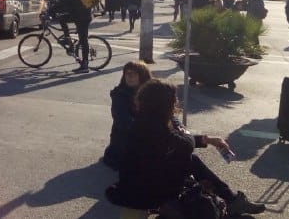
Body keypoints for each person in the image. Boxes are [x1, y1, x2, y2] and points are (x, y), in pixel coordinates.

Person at [105, 80, 266, 216]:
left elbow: (176, 142)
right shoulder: (150, 126)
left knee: (188, 160)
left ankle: (231, 199)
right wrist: (184, 131)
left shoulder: (147, 120)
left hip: (146, 181)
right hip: (145, 190)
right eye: (173, 99)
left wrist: (208, 139)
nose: (176, 102)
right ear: (163, 104)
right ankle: (231, 200)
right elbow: (184, 145)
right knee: (189, 160)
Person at [102, 61, 152, 170]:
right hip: (125, 140)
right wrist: (149, 131)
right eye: (127, 73)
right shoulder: (119, 95)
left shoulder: (151, 93)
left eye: (134, 73)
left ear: (142, 75)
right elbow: (123, 120)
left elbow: (164, 112)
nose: (129, 76)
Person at [48, 0, 93, 73]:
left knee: (83, 40)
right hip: (79, 15)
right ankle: (68, 39)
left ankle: (85, 65)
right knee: (62, 18)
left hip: (82, 17)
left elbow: (61, 4)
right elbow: (64, 4)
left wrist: (49, 11)